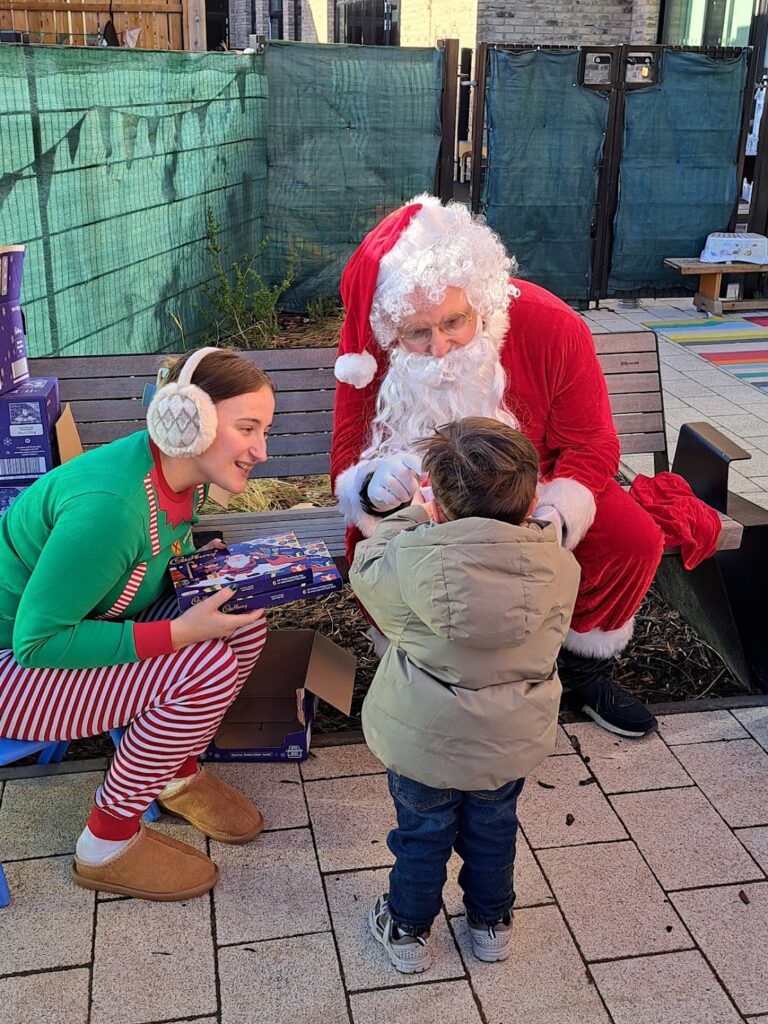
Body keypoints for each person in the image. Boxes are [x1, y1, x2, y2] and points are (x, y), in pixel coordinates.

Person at [331, 194, 665, 739]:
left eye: (454, 321)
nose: (440, 347)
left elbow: (593, 442)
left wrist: (558, 513)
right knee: (381, 550)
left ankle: (579, 671)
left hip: (537, 488)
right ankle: (424, 676)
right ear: (391, 328)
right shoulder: (369, 350)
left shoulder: (552, 325)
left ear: (481, 297)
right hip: (423, 503)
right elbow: (347, 456)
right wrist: (372, 486)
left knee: (633, 539)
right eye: (417, 332)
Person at [0, 346, 274, 901]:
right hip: (13, 667)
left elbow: (139, 566)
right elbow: (37, 642)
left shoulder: (181, 474)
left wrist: (194, 567)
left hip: (79, 632)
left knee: (243, 621)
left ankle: (171, 772)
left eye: (263, 431)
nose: (261, 450)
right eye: (247, 429)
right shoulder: (111, 507)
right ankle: (105, 843)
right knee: (205, 666)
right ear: (191, 421)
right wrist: (179, 633)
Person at [349, 416, 580, 973]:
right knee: (493, 831)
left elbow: (366, 566)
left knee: (422, 835)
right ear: (530, 502)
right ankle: (491, 924)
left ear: (440, 505)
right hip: (507, 740)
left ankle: (407, 931)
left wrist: (411, 515)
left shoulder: (410, 562)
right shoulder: (559, 566)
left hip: (424, 743)